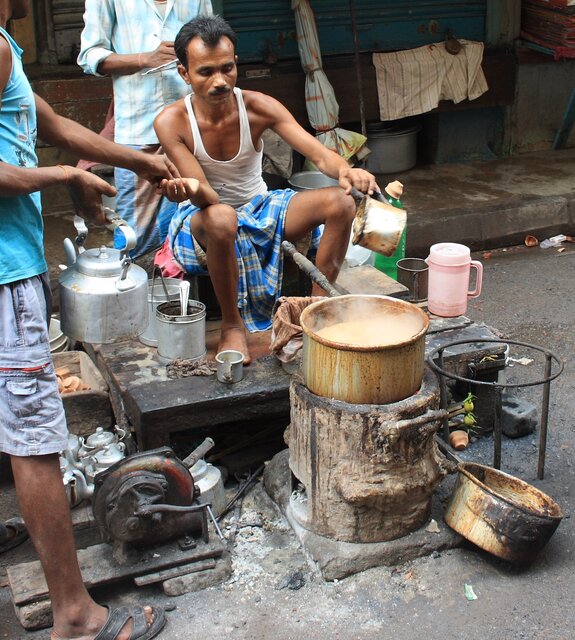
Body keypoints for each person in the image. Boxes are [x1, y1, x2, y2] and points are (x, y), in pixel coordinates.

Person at [0, 1, 173, 638]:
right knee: (35, 436)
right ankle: (74, 615)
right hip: (5, 268)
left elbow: (56, 125)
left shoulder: (3, 43)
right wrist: (60, 177)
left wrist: (139, 163)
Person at [153, 15, 380, 364]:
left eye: (227, 69)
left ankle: (315, 312)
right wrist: (184, 190)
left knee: (342, 203)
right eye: (205, 72)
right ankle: (232, 326)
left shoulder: (258, 106)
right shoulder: (171, 122)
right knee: (223, 217)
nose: (220, 81)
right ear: (184, 73)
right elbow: (208, 198)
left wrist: (348, 172)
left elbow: (319, 155)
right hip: (202, 214)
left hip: (261, 206)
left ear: (236, 64)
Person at [78, 0, 213, 259]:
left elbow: (210, 40)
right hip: (137, 129)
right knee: (134, 235)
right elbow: (90, 56)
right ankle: (135, 293)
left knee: (190, 226)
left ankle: (178, 296)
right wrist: (144, 59)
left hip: (191, 126)